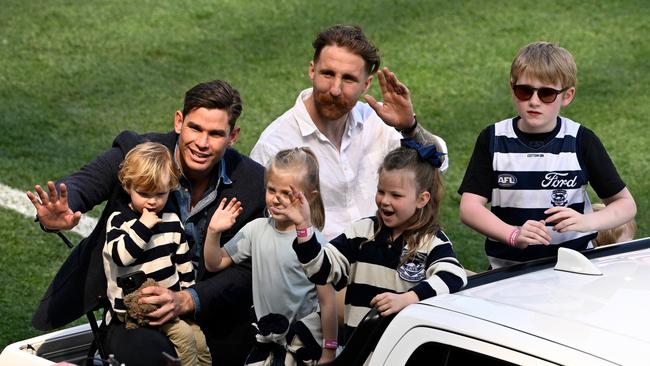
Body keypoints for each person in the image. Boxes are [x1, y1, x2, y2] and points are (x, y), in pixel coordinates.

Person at [26, 80, 266, 365]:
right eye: (195, 128)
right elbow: (88, 181)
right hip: (135, 318)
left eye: (215, 134)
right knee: (152, 357)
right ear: (179, 121)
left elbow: (247, 269)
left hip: (212, 314)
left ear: (233, 135)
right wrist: (64, 207)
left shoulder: (253, 182)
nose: (202, 143)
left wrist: (189, 299)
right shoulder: (138, 152)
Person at [250, 24, 449, 240]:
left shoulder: (378, 120)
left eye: (348, 79)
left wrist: (410, 128)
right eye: (327, 74)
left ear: (366, 84)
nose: (335, 89)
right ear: (312, 70)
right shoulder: (275, 144)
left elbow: (439, 163)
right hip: (318, 266)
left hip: (387, 255)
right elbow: (265, 231)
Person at [458, 42, 637, 269]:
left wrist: (585, 222)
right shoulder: (493, 138)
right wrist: (513, 234)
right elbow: (469, 208)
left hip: (575, 268)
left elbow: (625, 204)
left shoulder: (581, 140)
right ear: (512, 88)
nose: (534, 101)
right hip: (508, 272)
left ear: (567, 96)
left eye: (547, 93)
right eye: (525, 90)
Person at [280, 140, 467, 340]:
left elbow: (454, 276)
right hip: (358, 351)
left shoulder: (431, 241)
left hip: (399, 351)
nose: (385, 200)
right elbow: (321, 271)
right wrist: (303, 227)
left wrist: (407, 299)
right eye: (381, 191)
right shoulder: (361, 233)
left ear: (422, 198)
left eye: (396, 195)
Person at [204, 147, 337, 365]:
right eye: (272, 190)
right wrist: (213, 232)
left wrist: (329, 350)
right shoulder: (255, 230)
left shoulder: (316, 245)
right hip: (265, 346)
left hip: (302, 346)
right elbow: (214, 262)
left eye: (287, 194)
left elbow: (328, 302)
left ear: (310, 197)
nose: (277, 199)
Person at [102, 142, 211, 366]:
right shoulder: (119, 221)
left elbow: (183, 263)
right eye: (143, 194)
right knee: (184, 336)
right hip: (136, 310)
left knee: (200, 340)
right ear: (127, 186)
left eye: (160, 194)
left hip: (170, 305)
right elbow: (121, 257)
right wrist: (143, 226)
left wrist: (187, 297)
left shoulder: (171, 221)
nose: (152, 201)